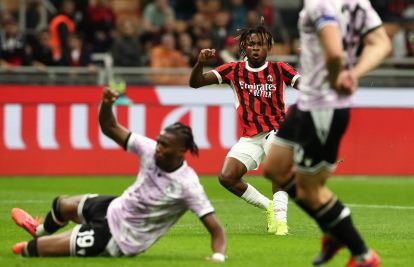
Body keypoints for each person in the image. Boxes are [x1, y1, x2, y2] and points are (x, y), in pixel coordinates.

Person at [11, 87, 227, 262]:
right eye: (159, 141)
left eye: (165, 146)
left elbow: (216, 230)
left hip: (120, 237)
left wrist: (218, 257)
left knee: (31, 250)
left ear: (181, 152)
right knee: (61, 205)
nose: (158, 148)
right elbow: (109, 126)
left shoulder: (187, 186)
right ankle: (38, 229)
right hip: (115, 207)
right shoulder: (149, 149)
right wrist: (106, 103)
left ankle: (40, 241)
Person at [262, 0, 391, 266]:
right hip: (307, 103)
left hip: (322, 107)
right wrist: (353, 74)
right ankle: (332, 228)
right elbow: (381, 43)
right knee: (274, 168)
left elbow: (333, 53)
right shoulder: (358, 3)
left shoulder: (320, 3)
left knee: (311, 191)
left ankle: (363, 255)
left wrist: (338, 77)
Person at [189, 19, 301, 236]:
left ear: (268, 47)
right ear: (244, 47)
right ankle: (268, 206)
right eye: (251, 44)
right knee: (227, 177)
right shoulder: (233, 70)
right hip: (251, 136)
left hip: (275, 131)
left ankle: (281, 223)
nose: (255, 48)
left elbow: (303, 85)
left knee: (278, 172)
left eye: (260, 44)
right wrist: (200, 62)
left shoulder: (280, 69)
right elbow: (195, 83)